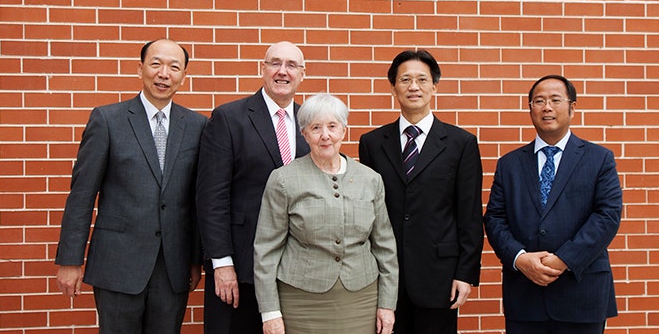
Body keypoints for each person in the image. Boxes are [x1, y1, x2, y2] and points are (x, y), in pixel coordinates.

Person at [55, 39, 207, 334]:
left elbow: (196, 200)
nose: (164, 73)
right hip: (118, 264)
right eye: (156, 64)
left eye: (174, 67)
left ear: (183, 76)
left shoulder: (197, 126)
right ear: (140, 69)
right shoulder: (108, 120)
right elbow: (82, 195)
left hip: (172, 267)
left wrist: (194, 259)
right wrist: (70, 261)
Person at [484, 75, 622, 334]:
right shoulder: (509, 165)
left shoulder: (599, 159)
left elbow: (607, 216)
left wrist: (564, 259)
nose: (547, 107)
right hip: (525, 297)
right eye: (539, 101)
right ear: (530, 109)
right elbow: (494, 218)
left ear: (572, 107)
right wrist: (520, 258)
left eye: (555, 100)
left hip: (581, 294)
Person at [358, 49, 484, 334]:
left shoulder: (460, 143)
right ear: (393, 88)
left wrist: (466, 274)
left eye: (421, 80)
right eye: (405, 80)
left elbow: (470, 214)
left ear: (434, 86)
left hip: (439, 276)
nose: (413, 87)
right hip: (386, 276)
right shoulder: (373, 143)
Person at [254, 93, 399, 334]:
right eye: (316, 128)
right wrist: (269, 312)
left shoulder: (370, 179)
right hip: (300, 300)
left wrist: (387, 304)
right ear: (304, 134)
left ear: (343, 130)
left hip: (361, 298)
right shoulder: (283, 180)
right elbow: (266, 250)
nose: (325, 135)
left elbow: (385, 246)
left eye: (332, 126)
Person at [196, 41, 310, 334]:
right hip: (240, 266)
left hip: (294, 267)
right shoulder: (229, 118)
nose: (282, 71)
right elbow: (212, 197)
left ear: (302, 74)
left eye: (291, 65)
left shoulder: (309, 122)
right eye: (275, 63)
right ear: (263, 69)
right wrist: (221, 263)